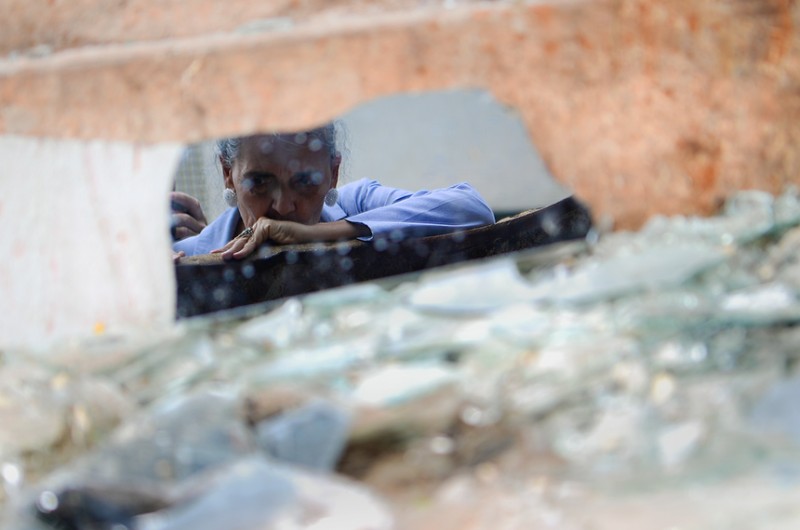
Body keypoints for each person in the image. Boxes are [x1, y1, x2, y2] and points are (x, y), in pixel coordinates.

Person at [173, 122, 495, 260]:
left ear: (334, 173)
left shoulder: (359, 205)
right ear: (229, 174)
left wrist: (321, 233)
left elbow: (472, 207)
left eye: (304, 181)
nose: (283, 208)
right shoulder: (192, 254)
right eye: (259, 182)